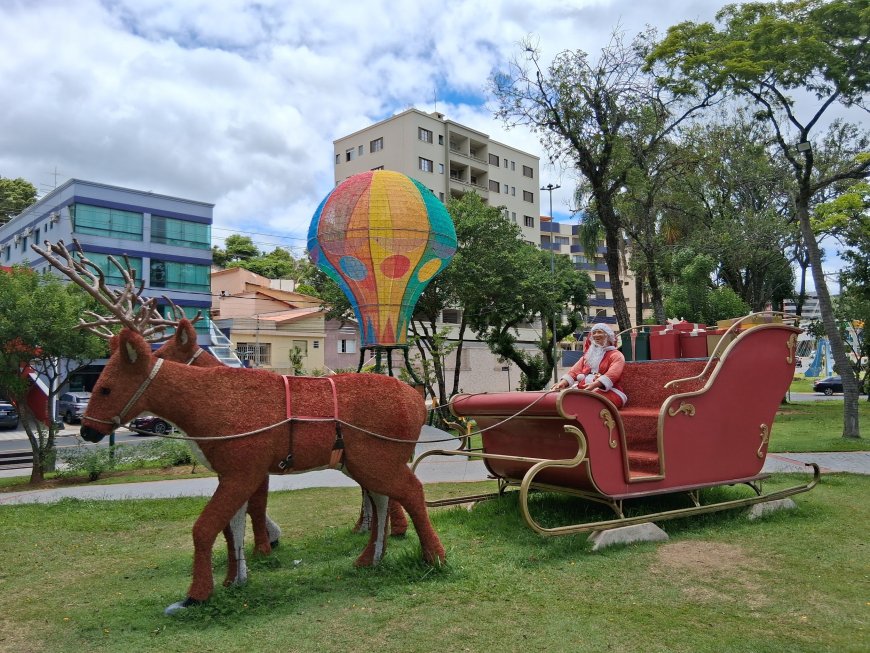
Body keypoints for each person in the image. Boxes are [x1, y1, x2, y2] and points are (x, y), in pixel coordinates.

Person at [551, 323, 628, 408]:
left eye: (599, 332)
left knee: (590, 399)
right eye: (594, 333)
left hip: (610, 391)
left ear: (608, 336)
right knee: (563, 396)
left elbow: (613, 374)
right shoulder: (587, 356)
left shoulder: (616, 355)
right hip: (584, 389)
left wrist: (596, 384)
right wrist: (563, 383)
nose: (596, 335)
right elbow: (573, 372)